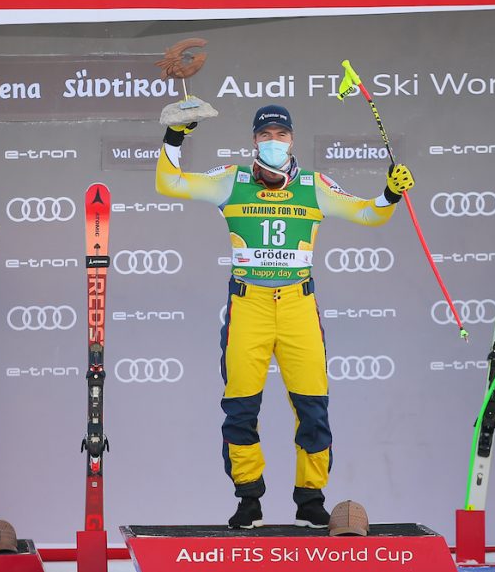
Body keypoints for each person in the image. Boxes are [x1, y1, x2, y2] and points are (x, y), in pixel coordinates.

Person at [155, 104, 414, 529]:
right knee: (240, 408)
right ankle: (248, 500)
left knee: (312, 407)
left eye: (281, 135)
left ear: (292, 140)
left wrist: (390, 193)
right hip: (249, 305)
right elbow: (170, 183)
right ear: (254, 140)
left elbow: (368, 214)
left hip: (297, 305)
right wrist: (175, 136)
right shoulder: (232, 180)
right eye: (265, 135)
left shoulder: (314, 185)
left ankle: (311, 501)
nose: (273, 142)